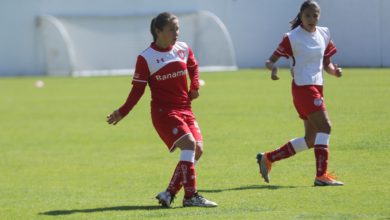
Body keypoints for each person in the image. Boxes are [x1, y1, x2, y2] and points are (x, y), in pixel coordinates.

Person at [106, 12, 217, 207]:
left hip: (186, 109)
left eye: (178, 29)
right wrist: (122, 111)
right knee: (189, 144)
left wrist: (195, 86)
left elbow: (193, 66)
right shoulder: (146, 57)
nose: (177, 33)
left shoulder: (183, 49)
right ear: (158, 31)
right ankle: (191, 197)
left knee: (197, 149)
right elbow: (137, 90)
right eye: (172, 29)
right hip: (164, 113)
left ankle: (168, 194)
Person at [257, 0, 344, 186]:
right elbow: (269, 60)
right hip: (303, 89)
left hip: (317, 88)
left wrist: (334, 72)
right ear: (301, 16)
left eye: (315, 15)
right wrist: (273, 69)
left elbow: (326, 63)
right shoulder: (292, 37)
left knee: (311, 139)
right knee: (326, 127)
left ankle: (268, 158)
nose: (312, 19)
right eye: (307, 15)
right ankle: (321, 176)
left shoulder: (324, 33)